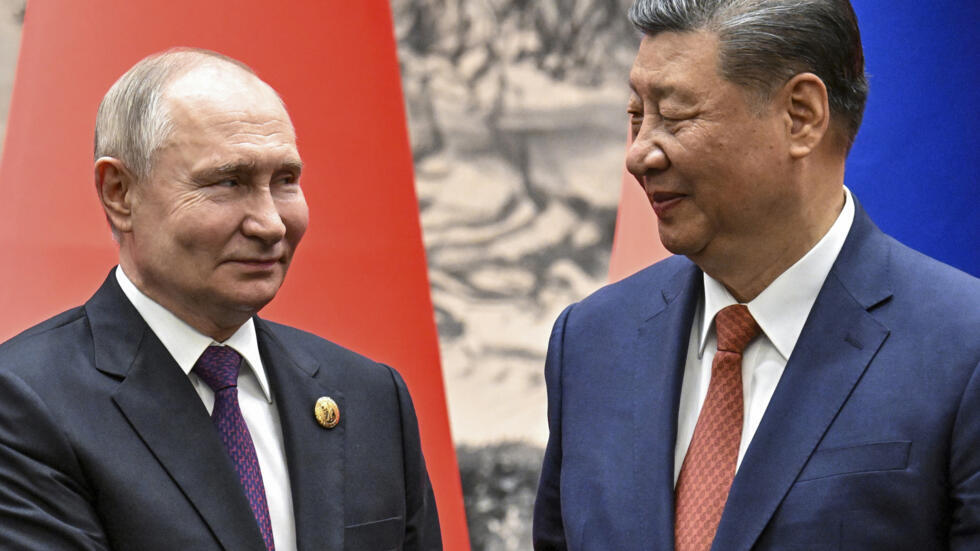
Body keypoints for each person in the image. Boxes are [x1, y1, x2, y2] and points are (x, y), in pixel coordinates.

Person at [533, 1, 980, 550]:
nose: (639, 153)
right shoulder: (592, 341)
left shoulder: (961, 350)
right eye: (635, 115)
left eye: (673, 117)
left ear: (801, 115)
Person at [0, 48, 441, 550]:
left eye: (285, 181)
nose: (270, 223)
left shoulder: (369, 395)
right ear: (119, 192)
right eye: (228, 182)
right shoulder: (24, 403)